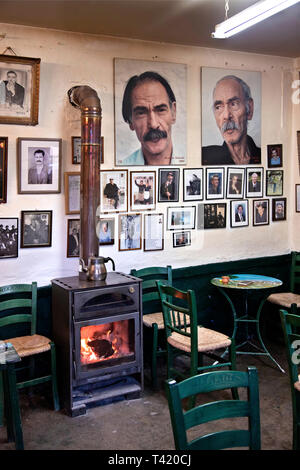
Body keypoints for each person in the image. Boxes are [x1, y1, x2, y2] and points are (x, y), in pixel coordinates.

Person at [121, 71, 181, 165]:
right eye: (141, 113)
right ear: (130, 121)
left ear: (173, 113)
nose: (153, 124)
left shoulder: (194, 158)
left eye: (161, 110)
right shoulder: (123, 167)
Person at [202, 75, 261, 165]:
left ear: (249, 109)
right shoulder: (205, 156)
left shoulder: (262, 156)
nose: (226, 116)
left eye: (233, 104)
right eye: (218, 107)